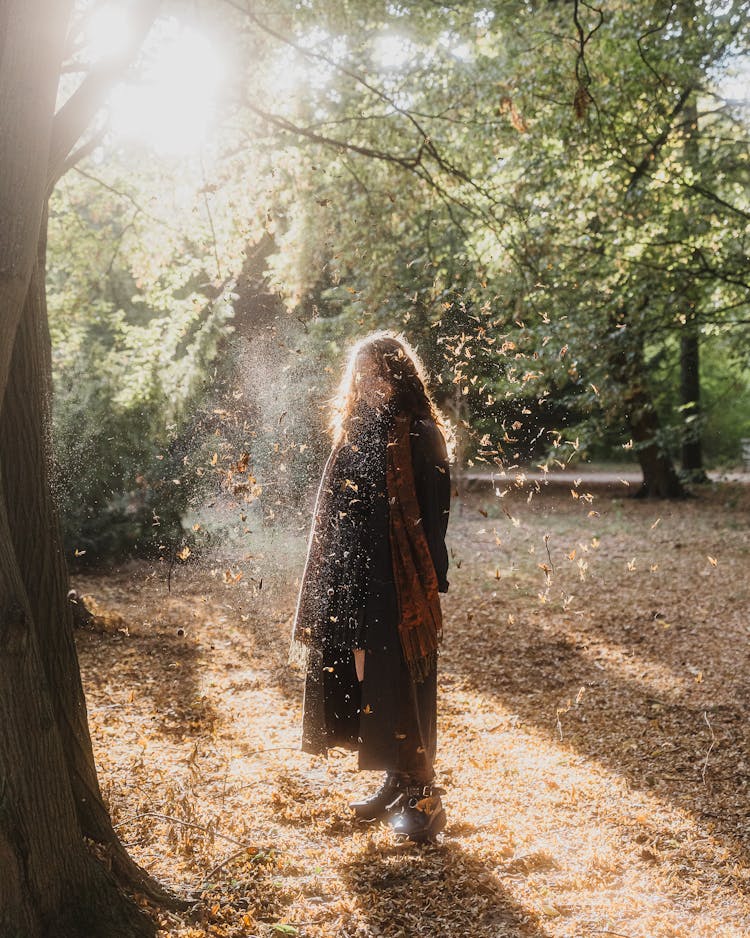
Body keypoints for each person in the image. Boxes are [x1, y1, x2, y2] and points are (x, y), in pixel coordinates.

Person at [291, 331, 451, 842]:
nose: (367, 382)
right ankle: (392, 778)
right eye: (359, 374)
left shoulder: (421, 432)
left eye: (377, 373)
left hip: (397, 580)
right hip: (353, 575)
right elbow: (335, 505)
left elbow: (434, 514)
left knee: (402, 681)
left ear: (398, 375)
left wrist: (429, 583)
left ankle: (423, 797)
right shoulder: (355, 428)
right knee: (367, 681)